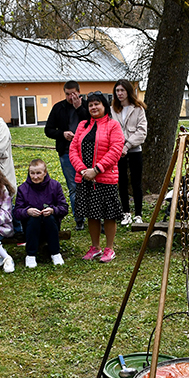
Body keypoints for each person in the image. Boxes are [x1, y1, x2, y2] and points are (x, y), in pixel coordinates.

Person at [69, 92, 124, 263]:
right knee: (91, 213)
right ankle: (95, 247)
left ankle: (109, 248)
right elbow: (73, 150)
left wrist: (97, 170)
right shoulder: (82, 126)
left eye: (97, 104)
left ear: (104, 106)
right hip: (85, 178)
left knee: (108, 214)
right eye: (90, 105)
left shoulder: (113, 126)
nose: (93, 107)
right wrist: (83, 170)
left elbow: (115, 150)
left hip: (105, 177)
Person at [44, 80, 89, 231]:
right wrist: (62, 134)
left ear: (79, 92)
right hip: (67, 152)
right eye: (67, 94)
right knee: (73, 186)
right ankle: (79, 219)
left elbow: (92, 123)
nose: (70, 97)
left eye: (73, 94)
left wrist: (79, 108)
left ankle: (94, 217)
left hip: (87, 151)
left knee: (91, 185)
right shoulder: (59, 107)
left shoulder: (89, 105)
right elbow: (48, 130)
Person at [12, 159, 69, 268]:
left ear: (45, 173)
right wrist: (27, 211)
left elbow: (64, 208)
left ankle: (55, 253)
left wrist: (53, 210)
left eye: (38, 173)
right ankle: (30, 255)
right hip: (31, 226)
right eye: (32, 173)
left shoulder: (55, 185)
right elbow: (17, 212)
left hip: (51, 224)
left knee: (50, 218)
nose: (35, 176)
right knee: (34, 219)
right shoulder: (22, 189)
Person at [111, 79, 148, 226]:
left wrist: (127, 145)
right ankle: (125, 213)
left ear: (128, 91)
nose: (119, 93)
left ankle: (138, 214)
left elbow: (142, 131)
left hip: (134, 150)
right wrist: (119, 147)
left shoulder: (138, 109)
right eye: (117, 91)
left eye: (122, 90)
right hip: (118, 152)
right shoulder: (113, 109)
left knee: (136, 182)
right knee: (122, 182)